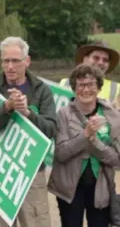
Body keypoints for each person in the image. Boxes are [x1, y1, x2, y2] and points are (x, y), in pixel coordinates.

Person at [0, 36, 56, 227]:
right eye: (6, 61)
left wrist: (27, 113)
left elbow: (51, 130)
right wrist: (6, 108)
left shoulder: (41, 89)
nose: (10, 66)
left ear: (27, 61)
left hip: (32, 173)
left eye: (15, 61)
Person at [48, 63, 120, 227]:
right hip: (69, 188)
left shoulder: (113, 116)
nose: (86, 89)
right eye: (81, 85)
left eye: (90, 84)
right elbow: (61, 153)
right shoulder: (63, 114)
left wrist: (94, 142)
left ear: (99, 87)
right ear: (74, 88)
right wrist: (85, 135)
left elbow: (116, 159)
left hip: (100, 187)